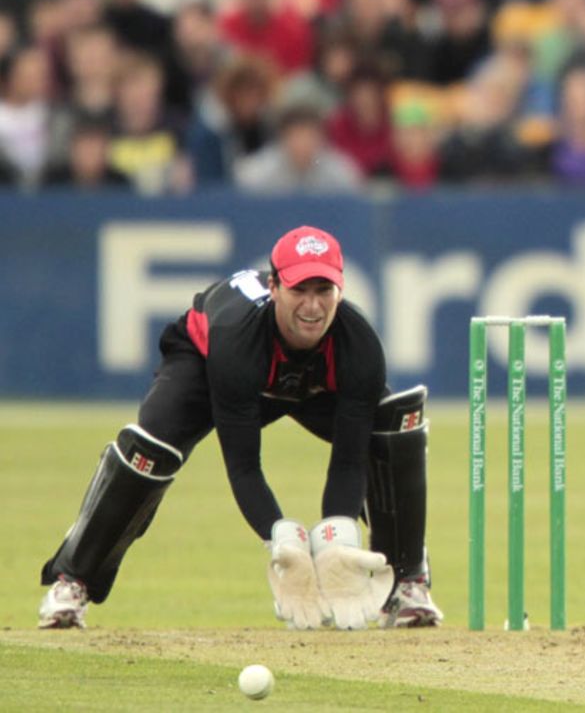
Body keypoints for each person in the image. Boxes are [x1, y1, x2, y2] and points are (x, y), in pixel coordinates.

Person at [38, 226, 442, 631]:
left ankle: (407, 582)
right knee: (150, 450)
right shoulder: (236, 341)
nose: (313, 306)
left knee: (393, 426)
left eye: (324, 290)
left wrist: (337, 536)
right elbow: (244, 465)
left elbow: (349, 461)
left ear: (341, 290)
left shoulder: (360, 347)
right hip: (205, 364)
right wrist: (279, 536)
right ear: (274, 286)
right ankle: (72, 579)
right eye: (299, 289)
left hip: (310, 382)